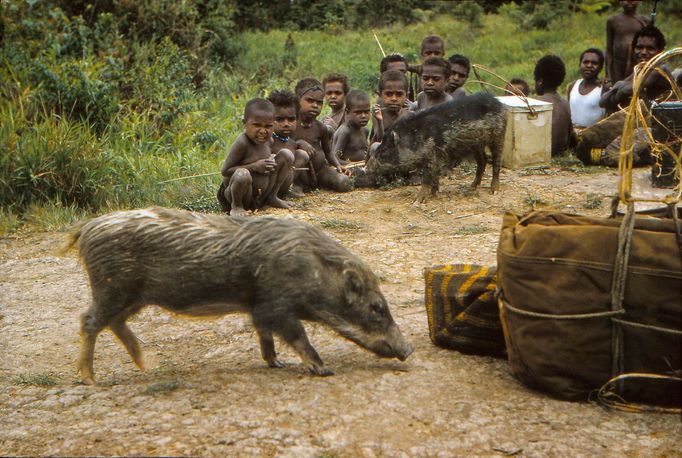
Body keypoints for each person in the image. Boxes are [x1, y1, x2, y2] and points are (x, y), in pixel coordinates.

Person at [217, 98, 293, 216]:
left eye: (268, 126)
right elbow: (225, 171)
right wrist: (253, 167)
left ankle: (272, 196)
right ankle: (237, 206)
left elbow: (264, 158)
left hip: (261, 193)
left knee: (286, 155)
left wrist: (271, 161)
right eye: (257, 125)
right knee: (242, 174)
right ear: (244, 123)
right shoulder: (242, 143)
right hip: (240, 194)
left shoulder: (269, 141)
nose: (263, 131)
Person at [293, 78, 352, 192]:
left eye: (319, 102)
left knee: (343, 182)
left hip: (321, 170)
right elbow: (283, 145)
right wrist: (298, 143)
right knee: (296, 188)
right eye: (310, 101)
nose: (315, 105)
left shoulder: (320, 127)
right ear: (297, 100)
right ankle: (297, 185)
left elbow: (328, 151)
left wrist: (337, 165)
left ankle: (317, 183)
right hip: (300, 173)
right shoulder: (291, 125)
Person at [600, 25, 670, 113]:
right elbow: (602, 102)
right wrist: (618, 87)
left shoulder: (660, 69)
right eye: (639, 47)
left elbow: (627, 90)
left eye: (650, 48)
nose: (644, 52)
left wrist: (617, 88)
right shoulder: (640, 69)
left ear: (661, 51)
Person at [267, 89, 313, 198]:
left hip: (281, 183)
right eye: (279, 119)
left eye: (291, 119)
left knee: (302, 155)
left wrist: (300, 143)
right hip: (265, 185)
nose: (286, 124)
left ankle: (283, 191)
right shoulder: (267, 140)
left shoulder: (291, 142)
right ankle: (270, 196)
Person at [534, 55, 573, 155]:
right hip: (559, 153)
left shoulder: (536, 103)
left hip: (541, 154)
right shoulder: (565, 104)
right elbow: (569, 136)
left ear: (540, 81)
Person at [606, 0, 649, 83]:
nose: (630, 1)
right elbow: (609, 49)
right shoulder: (613, 20)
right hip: (617, 65)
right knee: (616, 89)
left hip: (637, 64)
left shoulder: (645, 21)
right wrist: (608, 74)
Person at [331, 90, 381, 163]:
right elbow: (334, 159)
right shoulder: (345, 131)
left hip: (363, 167)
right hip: (349, 169)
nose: (363, 116)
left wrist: (379, 121)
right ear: (347, 112)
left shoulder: (365, 130)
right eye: (358, 112)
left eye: (366, 112)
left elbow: (379, 139)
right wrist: (353, 165)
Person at [567, 48, 606, 129]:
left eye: (594, 63)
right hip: (573, 135)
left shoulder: (603, 88)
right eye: (585, 62)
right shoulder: (573, 86)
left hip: (594, 137)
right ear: (579, 65)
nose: (589, 65)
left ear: (601, 67)